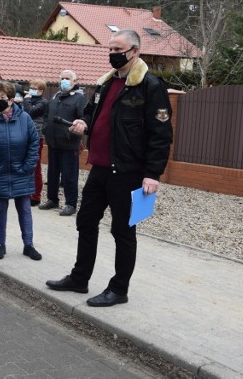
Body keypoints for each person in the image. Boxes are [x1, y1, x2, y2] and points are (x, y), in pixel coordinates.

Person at [46, 29, 173, 307]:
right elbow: (92, 112)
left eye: (119, 50)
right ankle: (80, 278)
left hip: (129, 172)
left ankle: (119, 289)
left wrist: (153, 174)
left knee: (123, 231)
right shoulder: (105, 84)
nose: (113, 54)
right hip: (100, 168)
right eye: (111, 50)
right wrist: (84, 123)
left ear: (135, 51)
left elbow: (161, 134)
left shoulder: (150, 86)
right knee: (86, 222)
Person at [0, 81, 41, 261]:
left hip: (21, 172)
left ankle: (28, 245)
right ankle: (0, 244)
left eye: (3, 97)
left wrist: (28, 167)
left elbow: (33, 143)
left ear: (12, 100)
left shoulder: (25, 118)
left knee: (25, 209)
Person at [38, 70, 87, 216]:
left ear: (74, 82)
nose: (64, 81)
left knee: (69, 176)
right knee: (52, 173)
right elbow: (47, 115)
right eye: (62, 79)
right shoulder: (56, 96)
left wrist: (71, 133)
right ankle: (52, 199)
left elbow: (82, 119)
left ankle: (70, 204)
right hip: (53, 142)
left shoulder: (79, 99)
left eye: (67, 79)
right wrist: (46, 128)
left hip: (69, 144)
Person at [21, 78, 48, 206]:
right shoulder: (29, 100)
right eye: (31, 87)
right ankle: (25, 192)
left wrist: (26, 100)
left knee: (35, 167)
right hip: (24, 136)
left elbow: (29, 112)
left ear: (41, 91)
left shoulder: (43, 103)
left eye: (34, 88)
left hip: (36, 137)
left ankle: (36, 196)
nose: (31, 89)